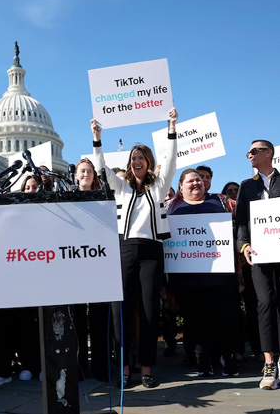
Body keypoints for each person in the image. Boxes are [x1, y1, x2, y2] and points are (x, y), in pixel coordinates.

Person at [91, 108, 178, 389]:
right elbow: (101, 168)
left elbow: (172, 160)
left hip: (151, 251)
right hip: (125, 249)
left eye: (141, 158)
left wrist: (171, 128)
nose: (136, 161)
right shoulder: (121, 187)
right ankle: (125, 368)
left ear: (148, 162)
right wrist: (97, 139)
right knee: (122, 312)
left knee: (151, 310)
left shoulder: (158, 185)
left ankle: (147, 368)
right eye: (133, 158)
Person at [235, 139, 280, 390]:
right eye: (248, 151)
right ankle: (268, 361)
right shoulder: (245, 186)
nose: (249, 154)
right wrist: (244, 245)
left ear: (268, 153)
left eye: (253, 151)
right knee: (264, 303)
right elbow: (241, 219)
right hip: (259, 254)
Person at [167, 169, 239, 377]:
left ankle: (229, 361)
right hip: (189, 281)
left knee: (226, 320)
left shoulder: (221, 202)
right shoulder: (171, 208)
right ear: (181, 186)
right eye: (190, 181)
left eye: (199, 180)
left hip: (221, 277)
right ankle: (203, 365)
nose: (196, 183)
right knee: (197, 325)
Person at [74, 159, 107, 381]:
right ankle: (78, 367)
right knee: (76, 319)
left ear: (95, 175)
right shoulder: (66, 199)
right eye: (82, 171)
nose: (86, 174)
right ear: (76, 175)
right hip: (74, 265)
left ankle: (101, 367)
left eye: (89, 171)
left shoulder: (103, 199)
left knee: (99, 319)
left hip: (98, 264)